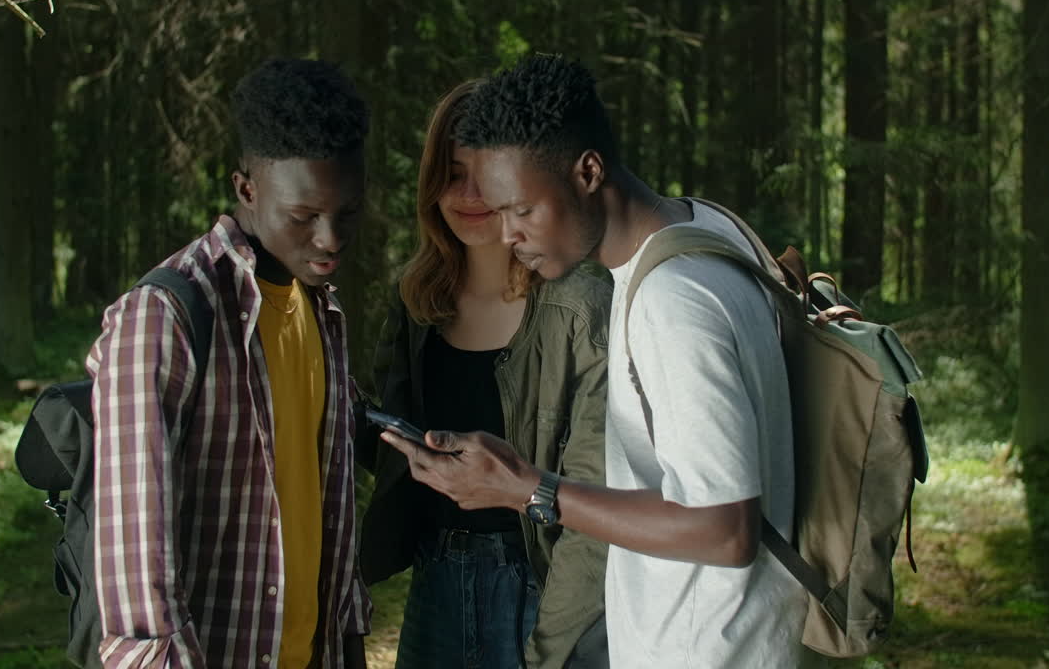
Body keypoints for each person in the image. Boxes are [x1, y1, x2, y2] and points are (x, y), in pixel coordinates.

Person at [380, 54, 812, 668]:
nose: (508, 234)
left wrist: (530, 489)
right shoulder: (705, 228)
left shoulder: (672, 299)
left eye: (523, 210)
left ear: (587, 171)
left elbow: (725, 531)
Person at [87, 58, 371, 669]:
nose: (330, 239)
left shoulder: (321, 308)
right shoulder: (165, 316)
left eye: (346, 213)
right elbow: (136, 578)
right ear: (246, 188)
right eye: (303, 217)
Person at [356, 79, 611, 669]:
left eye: (486, 175)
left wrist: (554, 646)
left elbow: (595, 503)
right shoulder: (416, 300)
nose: (468, 193)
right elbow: (394, 454)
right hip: (435, 584)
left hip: (541, 589)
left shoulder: (579, 308)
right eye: (450, 171)